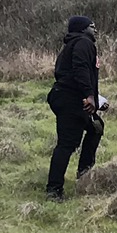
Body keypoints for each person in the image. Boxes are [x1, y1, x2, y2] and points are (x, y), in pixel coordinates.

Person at [45, 14, 101, 199]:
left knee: (96, 127)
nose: (95, 30)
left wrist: (95, 98)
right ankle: (54, 190)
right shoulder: (84, 43)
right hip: (71, 99)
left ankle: (84, 175)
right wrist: (89, 95)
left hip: (68, 97)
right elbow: (80, 69)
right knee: (66, 144)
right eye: (92, 26)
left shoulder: (70, 46)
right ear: (83, 29)